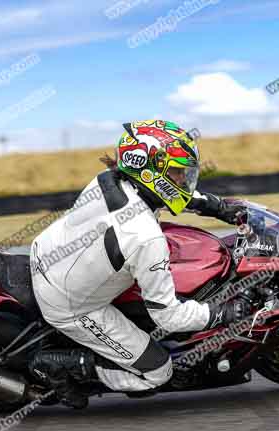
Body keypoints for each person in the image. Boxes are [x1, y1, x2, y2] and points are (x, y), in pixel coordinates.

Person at [29, 120, 250, 408]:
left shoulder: (108, 180)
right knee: (158, 371)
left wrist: (216, 207)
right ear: (149, 170)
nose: (183, 180)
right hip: (69, 303)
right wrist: (221, 313)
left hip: (46, 253)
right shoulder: (145, 237)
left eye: (184, 173)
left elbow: (167, 194)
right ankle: (63, 365)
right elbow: (168, 317)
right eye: (177, 172)